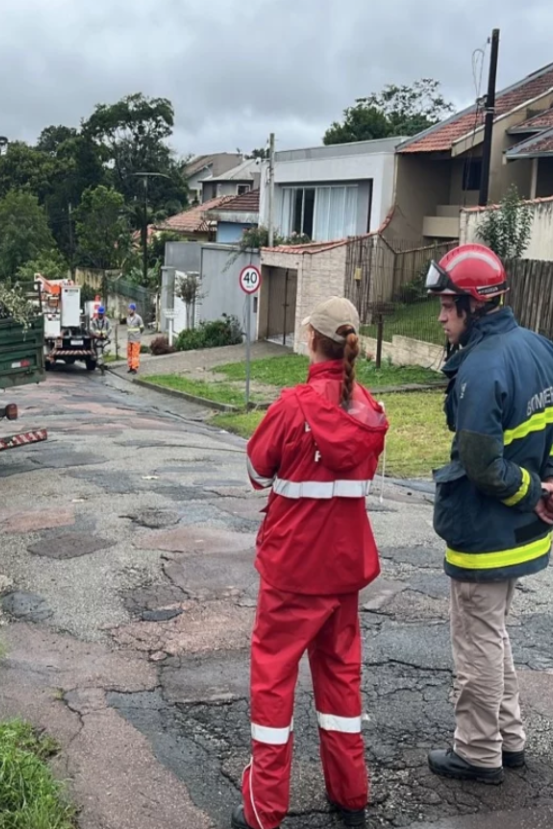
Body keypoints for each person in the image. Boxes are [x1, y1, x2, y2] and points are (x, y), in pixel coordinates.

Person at [423, 243, 553, 784]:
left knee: (475, 642)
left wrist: (537, 489)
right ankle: (508, 739)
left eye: (448, 304)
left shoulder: (481, 368)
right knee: (493, 634)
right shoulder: (543, 350)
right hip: (525, 532)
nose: (441, 315)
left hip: (485, 533)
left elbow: (483, 465)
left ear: (473, 304)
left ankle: (477, 750)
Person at [238, 296, 389, 829]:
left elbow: (258, 472)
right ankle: (350, 800)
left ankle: (265, 809)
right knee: (341, 684)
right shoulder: (371, 411)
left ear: (311, 341)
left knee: (273, 687)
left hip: (291, 572)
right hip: (343, 573)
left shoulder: (292, 406)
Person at [126, 302, 144, 374]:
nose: (129, 310)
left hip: (136, 339)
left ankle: (134, 368)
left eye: (130, 309)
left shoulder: (138, 318)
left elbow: (142, 328)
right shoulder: (128, 318)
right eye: (128, 309)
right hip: (129, 339)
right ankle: (130, 367)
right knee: (129, 354)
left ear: (133, 310)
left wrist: (138, 334)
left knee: (135, 354)